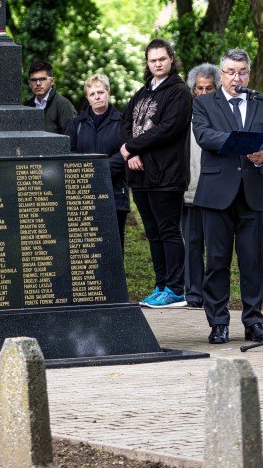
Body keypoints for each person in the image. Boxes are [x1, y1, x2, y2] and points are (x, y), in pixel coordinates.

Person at [192, 47, 263, 345]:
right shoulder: (204, 103)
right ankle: (218, 323)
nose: (237, 78)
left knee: (253, 262)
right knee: (217, 261)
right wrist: (239, 142)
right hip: (216, 194)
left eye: (242, 72)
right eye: (231, 72)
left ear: (249, 74)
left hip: (252, 193)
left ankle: (254, 322)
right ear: (221, 74)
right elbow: (204, 136)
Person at [120, 38, 192, 308]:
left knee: (168, 231)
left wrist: (132, 146)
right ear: (147, 63)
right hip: (140, 175)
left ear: (171, 59)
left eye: (162, 59)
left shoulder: (179, 92)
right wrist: (131, 153)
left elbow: (168, 128)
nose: (158, 64)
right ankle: (161, 285)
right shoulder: (143, 92)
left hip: (167, 175)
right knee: (153, 233)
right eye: (153, 60)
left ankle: (175, 289)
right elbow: (125, 122)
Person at [65, 73, 129, 247]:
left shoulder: (122, 122)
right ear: (87, 98)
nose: (97, 97)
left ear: (108, 92)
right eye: (92, 94)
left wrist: (98, 168)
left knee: (113, 246)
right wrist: (87, 170)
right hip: (84, 194)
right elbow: (69, 153)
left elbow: (125, 154)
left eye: (100, 92)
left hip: (115, 193)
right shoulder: (76, 124)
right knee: (88, 247)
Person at [183, 63, 220, 308]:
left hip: (216, 191)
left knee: (216, 246)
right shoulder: (185, 116)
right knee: (192, 244)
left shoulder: (222, 114)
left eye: (209, 88)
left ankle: (213, 294)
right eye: (199, 88)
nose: (203, 92)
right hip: (190, 189)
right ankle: (194, 293)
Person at [25, 60, 77, 135]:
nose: (38, 83)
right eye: (34, 80)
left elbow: (71, 137)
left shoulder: (63, 105)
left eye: (42, 79)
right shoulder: (27, 106)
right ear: (29, 83)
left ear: (52, 81)